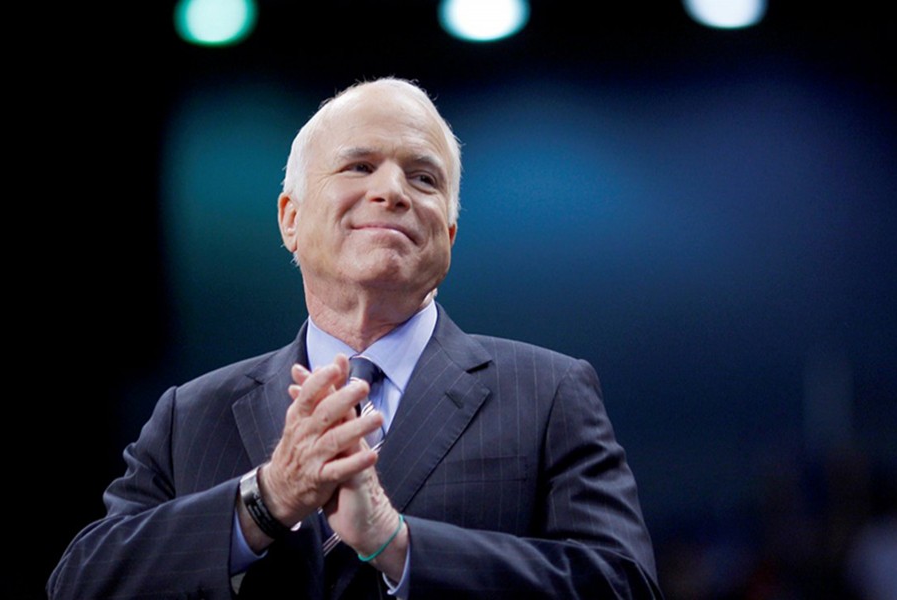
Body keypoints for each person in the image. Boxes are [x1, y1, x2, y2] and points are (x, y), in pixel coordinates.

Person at [49, 77, 663, 599]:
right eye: (360, 166)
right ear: (291, 218)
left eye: (423, 178)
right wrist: (266, 500)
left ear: (448, 233)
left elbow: (623, 583)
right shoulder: (191, 415)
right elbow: (81, 581)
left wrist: (398, 545)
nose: (392, 191)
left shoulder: (549, 392)